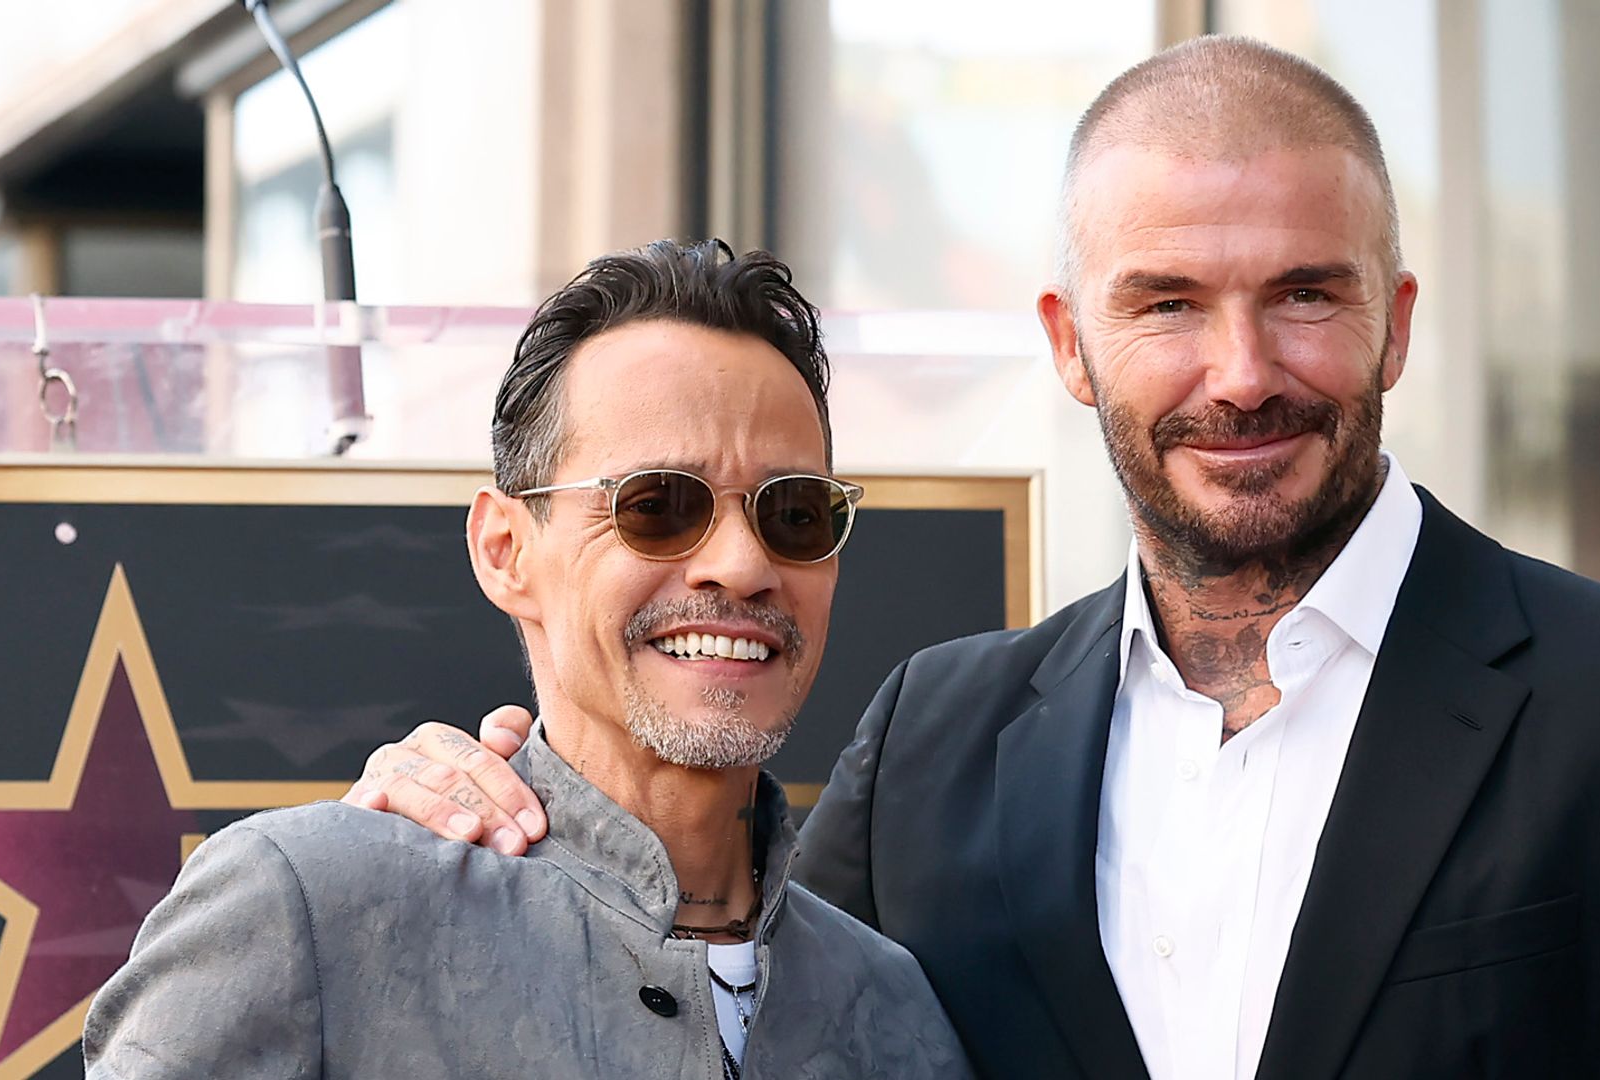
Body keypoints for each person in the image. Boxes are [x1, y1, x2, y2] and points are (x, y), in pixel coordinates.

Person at [343, 36, 1600, 1080]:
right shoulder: (937, 737)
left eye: (1306, 297)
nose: (1243, 369)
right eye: (1169, 306)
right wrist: (468, 816)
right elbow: (716, 985)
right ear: (1073, 346)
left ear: (1398, 319)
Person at [83, 240, 972, 1080]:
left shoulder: (896, 1009)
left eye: (793, 514)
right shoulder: (313, 908)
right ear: (505, 550)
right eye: (658, 505)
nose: (742, 564)